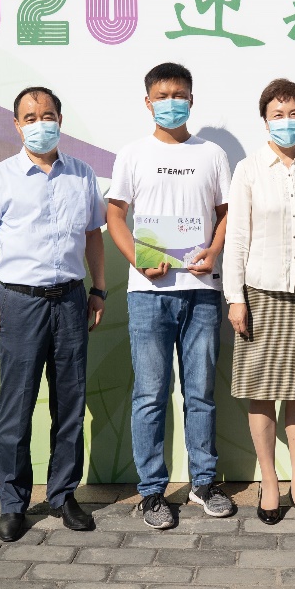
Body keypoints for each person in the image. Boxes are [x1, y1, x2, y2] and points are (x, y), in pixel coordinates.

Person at [0, 86, 107, 543]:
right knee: (17, 405)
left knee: (70, 403)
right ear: (17, 125)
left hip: (70, 300)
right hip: (19, 302)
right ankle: (13, 503)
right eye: (30, 117)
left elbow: (93, 235)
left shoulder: (82, 174)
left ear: (60, 120)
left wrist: (99, 289)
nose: (39, 123)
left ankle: (63, 495)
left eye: (47, 115)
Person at [106, 63, 234, 530]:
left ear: (192, 100)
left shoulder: (213, 154)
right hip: (148, 293)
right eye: (162, 95)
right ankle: (152, 492)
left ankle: (204, 483)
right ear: (148, 102)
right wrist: (137, 261)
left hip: (201, 291)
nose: (171, 102)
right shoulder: (132, 154)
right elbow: (115, 215)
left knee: (200, 394)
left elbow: (227, 213)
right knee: (150, 395)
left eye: (179, 94)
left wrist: (213, 251)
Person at [223, 78, 295, 527]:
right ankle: (269, 483)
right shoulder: (249, 169)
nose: (287, 121)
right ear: (265, 120)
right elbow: (237, 237)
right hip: (261, 292)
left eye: (294, 113)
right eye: (278, 114)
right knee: (261, 392)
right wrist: (235, 298)